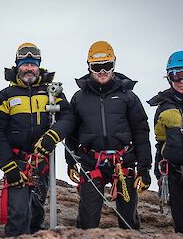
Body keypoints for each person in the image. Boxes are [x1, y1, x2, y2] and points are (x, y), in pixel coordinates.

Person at [0, 42, 74, 236]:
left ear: (39, 66)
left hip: (42, 162)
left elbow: (68, 118)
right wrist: (8, 166)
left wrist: (52, 136)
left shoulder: (52, 93)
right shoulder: (5, 97)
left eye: (33, 64)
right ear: (18, 66)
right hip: (16, 163)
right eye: (25, 64)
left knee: (36, 212)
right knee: (18, 214)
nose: (29, 68)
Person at [65, 40, 152, 229]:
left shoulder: (128, 96)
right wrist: (70, 161)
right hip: (91, 161)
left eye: (107, 65)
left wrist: (144, 169)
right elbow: (71, 133)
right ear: (89, 67)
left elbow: (141, 133)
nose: (102, 71)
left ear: (114, 65)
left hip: (124, 162)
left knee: (128, 219)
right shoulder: (79, 98)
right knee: (87, 219)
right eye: (97, 67)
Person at [148, 50, 183, 234]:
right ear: (169, 77)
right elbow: (160, 142)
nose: (181, 80)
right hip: (177, 177)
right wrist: (158, 173)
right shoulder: (163, 107)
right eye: (175, 75)